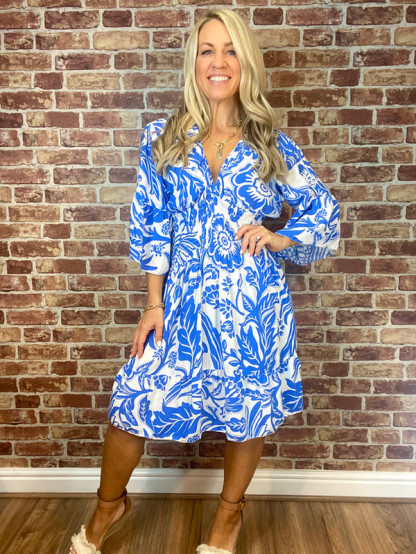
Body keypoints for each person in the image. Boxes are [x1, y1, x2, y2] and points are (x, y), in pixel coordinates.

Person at [69, 8, 340, 554]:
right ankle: (108, 506)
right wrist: (153, 304)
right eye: (207, 50)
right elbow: (151, 223)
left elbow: (324, 211)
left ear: (246, 62)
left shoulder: (270, 143)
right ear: (193, 63)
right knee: (135, 399)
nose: (219, 62)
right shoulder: (163, 137)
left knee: (247, 411)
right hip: (183, 303)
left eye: (231, 50)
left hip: (252, 305)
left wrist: (279, 236)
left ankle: (228, 516)